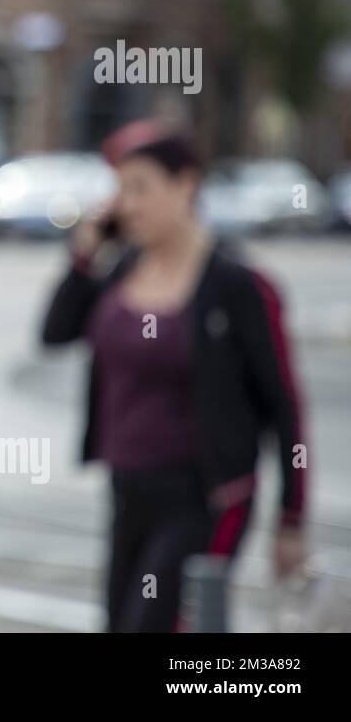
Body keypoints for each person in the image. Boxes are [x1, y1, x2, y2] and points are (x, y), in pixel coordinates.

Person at [41, 119, 308, 632]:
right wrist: (84, 253)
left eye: (141, 187)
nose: (128, 204)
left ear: (186, 184)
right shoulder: (122, 270)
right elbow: (54, 333)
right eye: (120, 189)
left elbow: (286, 404)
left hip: (207, 498)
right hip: (128, 489)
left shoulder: (239, 286)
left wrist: (291, 518)